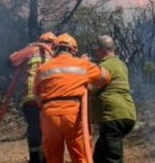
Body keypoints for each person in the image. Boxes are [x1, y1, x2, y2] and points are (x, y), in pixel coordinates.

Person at [33, 33, 109, 163]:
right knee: (81, 156)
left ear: (55, 49)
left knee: (53, 158)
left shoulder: (42, 69)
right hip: (74, 114)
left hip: (49, 116)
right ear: (74, 50)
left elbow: (37, 95)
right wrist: (89, 81)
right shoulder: (82, 64)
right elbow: (105, 77)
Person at [9, 31, 56, 163]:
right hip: (50, 99)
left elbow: (11, 61)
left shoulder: (31, 49)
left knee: (34, 128)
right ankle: (47, 159)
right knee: (48, 131)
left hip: (31, 98)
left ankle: (35, 159)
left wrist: (16, 54)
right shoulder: (56, 54)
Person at [91, 35, 137, 163]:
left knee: (112, 158)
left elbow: (92, 88)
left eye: (96, 50)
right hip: (128, 114)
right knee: (99, 156)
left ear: (100, 49)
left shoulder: (105, 66)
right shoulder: (121, 65)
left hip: (113, 117)